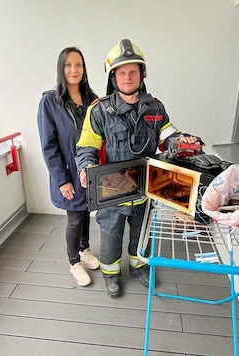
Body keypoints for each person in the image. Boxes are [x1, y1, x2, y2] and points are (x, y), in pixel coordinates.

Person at [75, 39, 200, 297]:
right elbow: (87, 146)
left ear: (142, 74)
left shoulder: (155, 107)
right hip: (112, 187)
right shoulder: (99, 111)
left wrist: (181, 141)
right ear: (113, 77)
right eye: (122, 72)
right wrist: (85, 167)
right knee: (110, 234)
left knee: (144, 232)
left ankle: (140, 266)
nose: (128, 76)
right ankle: (111, 274)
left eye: (133, 71)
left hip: (148, 187)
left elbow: (169, 137)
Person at [37, 47, 100, 287]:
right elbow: (48, 145)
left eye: (79, 65)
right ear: (61, 69)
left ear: (84, 69)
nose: (74, 70)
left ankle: (84, 249)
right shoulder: (49, 101)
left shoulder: (91, 98)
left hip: (89, 169)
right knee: (74, 217)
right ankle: (73, 261)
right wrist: (61, 179)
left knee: (85, 211)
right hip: (67, 172)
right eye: (68, 65)